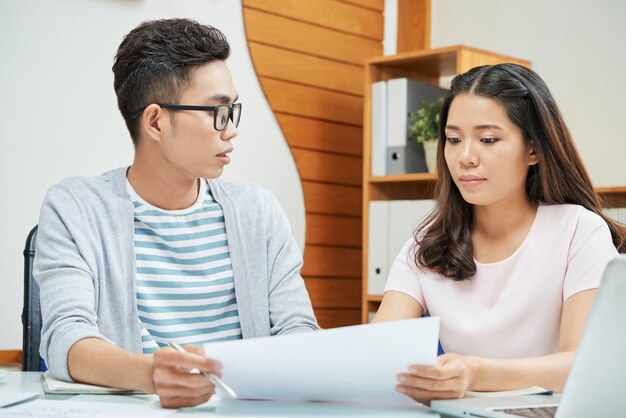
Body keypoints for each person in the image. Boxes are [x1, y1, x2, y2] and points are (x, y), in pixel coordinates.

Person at [34, 18, 318, 408]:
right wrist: (152, 373)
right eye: (216, 111)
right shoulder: (76, 208)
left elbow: (298, 329)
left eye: (233, 111)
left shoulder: (258, 211)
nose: (231, 129)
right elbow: (66, 338)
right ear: (155, 121)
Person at [373, 63, 624, 404]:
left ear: (533, 149)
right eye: (453, 139)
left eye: (488, 139)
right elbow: (379, 354)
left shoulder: (578, 231)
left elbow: (581, 365)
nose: (465, 157)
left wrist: (475, 373)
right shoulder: (426, 245)